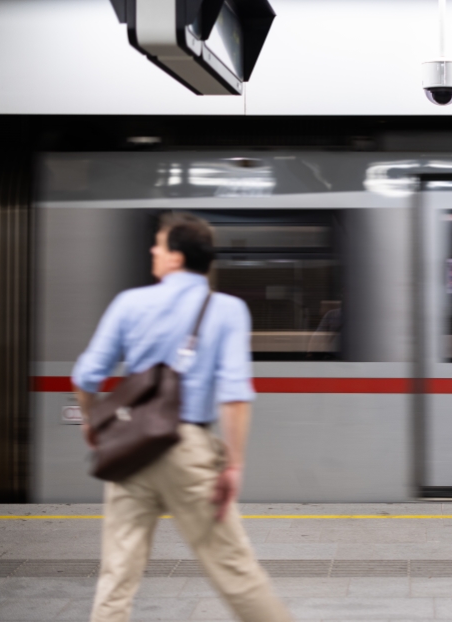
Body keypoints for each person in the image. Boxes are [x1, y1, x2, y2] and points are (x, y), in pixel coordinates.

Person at [72, 213, 292, 622]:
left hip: (129, 447)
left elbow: (86, 376)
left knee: (117, 575)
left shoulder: (129, 303)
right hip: (187, 450)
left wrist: (91, 423)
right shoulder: (227, 310)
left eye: (159, 245)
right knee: (234, 572)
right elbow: (235, 395)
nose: (153, 251)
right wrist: (234, 464)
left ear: (176, 256)